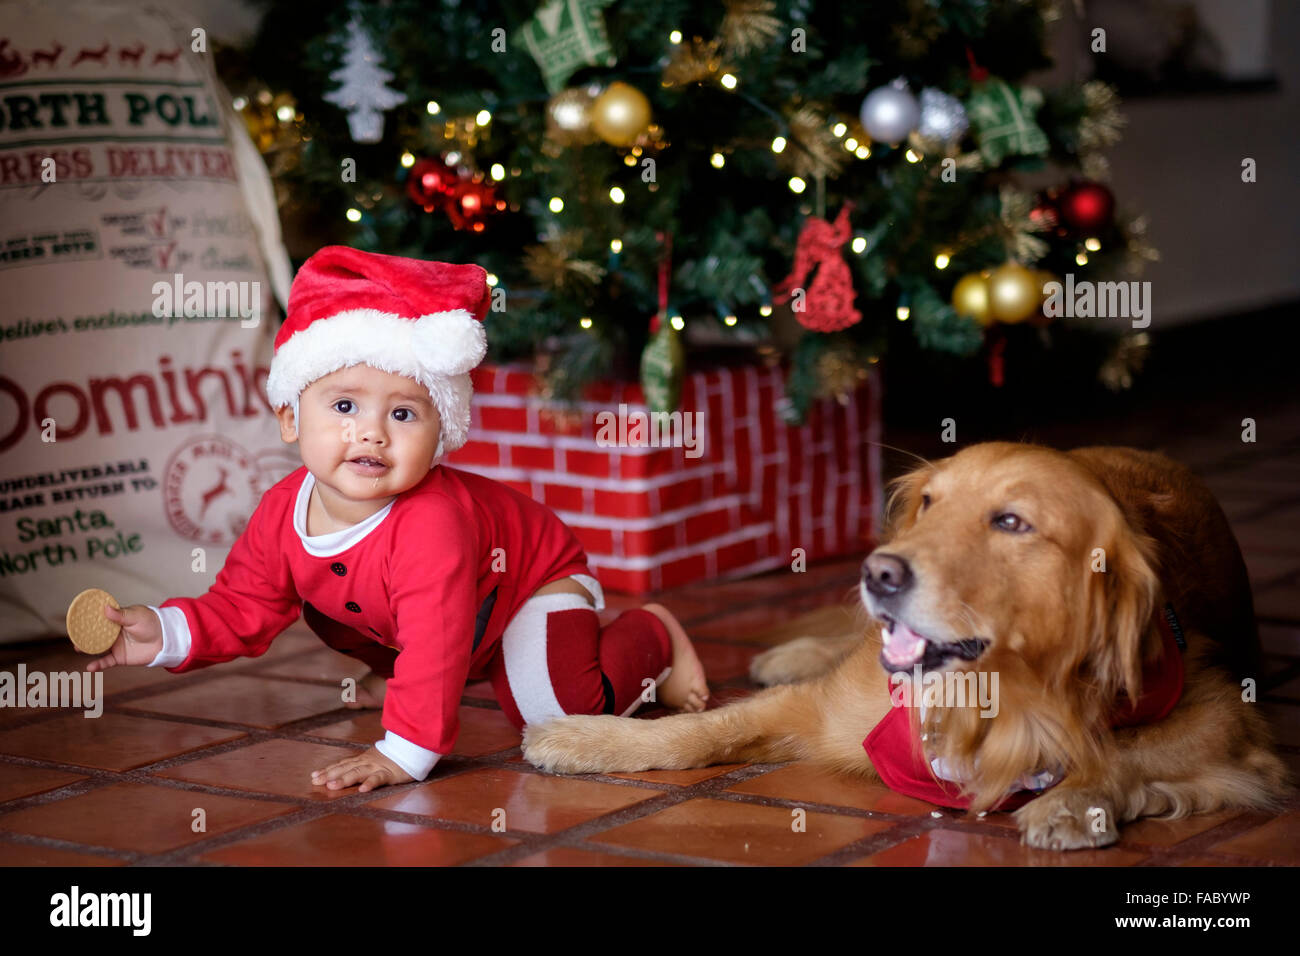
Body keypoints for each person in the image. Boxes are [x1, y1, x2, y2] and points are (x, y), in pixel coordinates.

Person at [86, 245, 709, 793]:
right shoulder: (284, 509)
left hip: (531, 581)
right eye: (345, 404)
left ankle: (652, 637)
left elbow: (435, 639)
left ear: (441, 434)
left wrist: (404, 753)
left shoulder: (427, 523)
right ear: (289, 419)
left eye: (404, 415)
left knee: (556, 718)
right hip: (462, 610)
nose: (372, 433)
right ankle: (477, 662)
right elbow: (242, 604)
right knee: (331, 602)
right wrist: (163, 632)